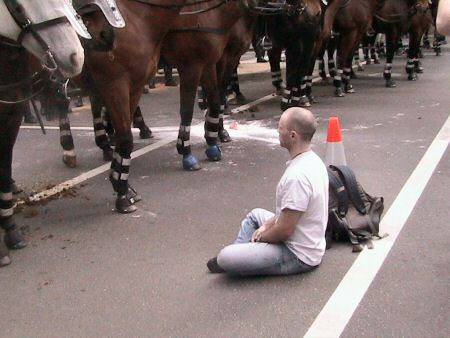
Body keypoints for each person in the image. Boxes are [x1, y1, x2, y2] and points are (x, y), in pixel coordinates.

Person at [207, 107, 329, 276]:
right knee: (255, 216)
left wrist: (262, 237)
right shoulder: (313, 160)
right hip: (305, 237)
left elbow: (285, 230)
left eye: (280, 128)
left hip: (298, 254)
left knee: (225, 257)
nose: (278, 132)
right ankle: (243, 253)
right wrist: (266, 225)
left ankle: (238, 259)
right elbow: (287, 214)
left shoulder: (297, 177)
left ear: (293, 135)